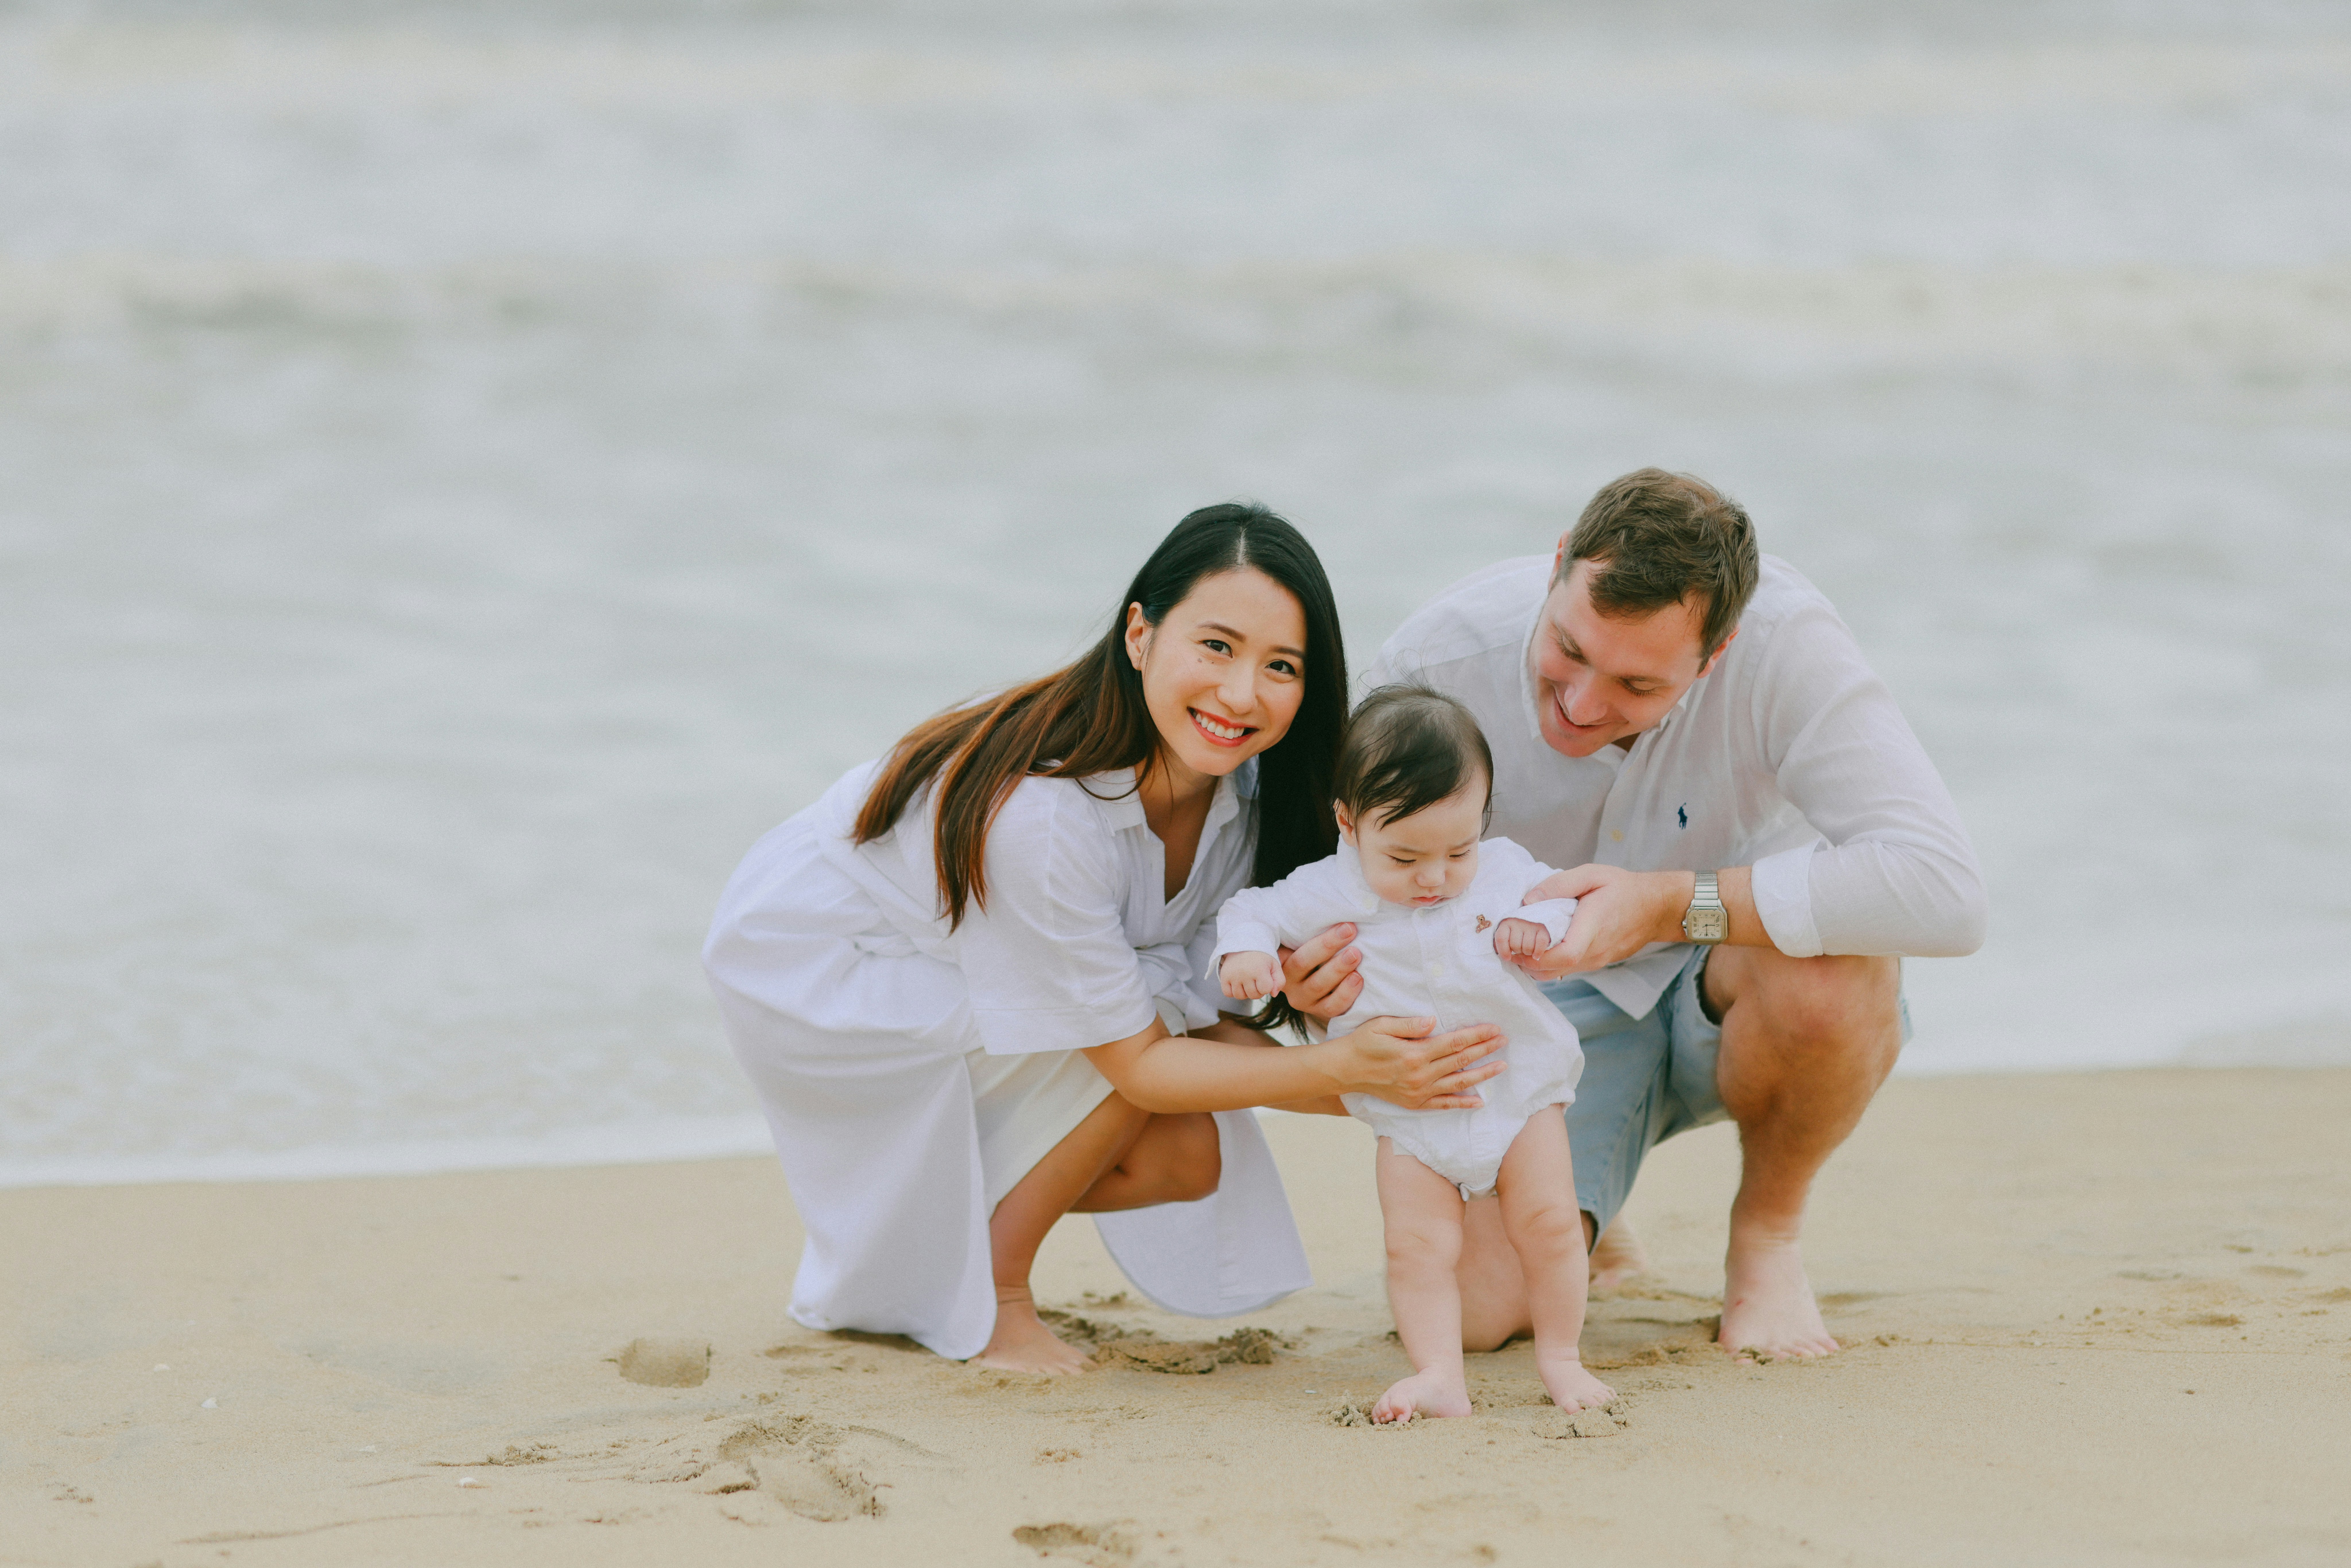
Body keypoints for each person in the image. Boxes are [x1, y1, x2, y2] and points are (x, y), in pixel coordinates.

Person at [703, 503, 1508, 1375]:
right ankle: (996, 1298)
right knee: (1148, 1043)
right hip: (830, 960)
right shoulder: (1047, 816)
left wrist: (1422, 1078)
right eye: (1216, 646)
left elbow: (1232, 1012)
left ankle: (933, 1245)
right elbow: (1143, 1060)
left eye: (1281, 666)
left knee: (1186, 1158)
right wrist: (1345, 1070)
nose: (1242, 694)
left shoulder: (1246, 797)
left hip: (945, 952)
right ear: (1140, 635)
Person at [1277, 469, 1987, 1360]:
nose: (1580, 705)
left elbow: (1946, 892)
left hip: (1736, 979)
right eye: (1569, 650)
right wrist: (1317, 983)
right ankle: (1591, 1203)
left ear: (1717, 652)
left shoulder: (1788, 649)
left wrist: (1665, 906)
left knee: (1837, 969)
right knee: (1473, 1316)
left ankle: (1766, 1241)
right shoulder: (1440, 661)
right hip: (1537, 1011)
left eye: (1638, 687)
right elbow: (1342, 875)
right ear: (1561, 566)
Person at [1213, 684, 1613, 1422]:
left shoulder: (1499, 870)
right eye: (1404, 856)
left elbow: (1556, 898)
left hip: (1515, 1086)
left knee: (1551, 1222)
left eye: (1455, 850)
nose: (1433, 878)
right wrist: (1246, 952)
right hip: (1412, 1109)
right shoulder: (1328, 887)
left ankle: (1561, 1355)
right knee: (1417, 1245)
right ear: (1348, 823)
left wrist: (1538, 925)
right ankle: (1438, 1375)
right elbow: (1252, 908)